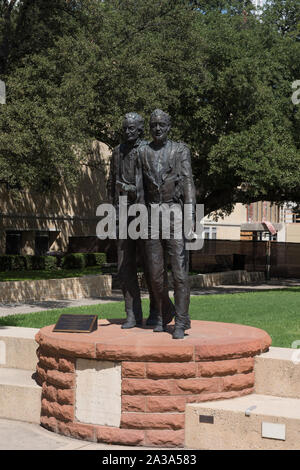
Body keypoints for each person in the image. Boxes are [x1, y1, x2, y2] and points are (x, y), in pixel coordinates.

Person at [108, 112, 174, 329]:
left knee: (151, 266)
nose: (128, 132)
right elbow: (111, 185)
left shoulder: (147, 150)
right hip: (123, 215)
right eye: (125, 128)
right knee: (124, 266)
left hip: (145, 214)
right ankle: (132, 314)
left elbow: (152, 184)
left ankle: (159, 310)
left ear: (140, 130)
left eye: (132, 128)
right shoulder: (117, 152)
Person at [136, 109, 196, 339]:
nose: (157, 129)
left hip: (174, 213)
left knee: (180, 273)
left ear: (169, 127)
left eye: (161, 125)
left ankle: (181, 320)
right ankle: (164, 313)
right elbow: (141, 188)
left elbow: (189, 184)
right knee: (154, 274)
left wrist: (190, 220)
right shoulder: (143, 152)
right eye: (153, 125)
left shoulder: (180, 150)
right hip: (151, 213)